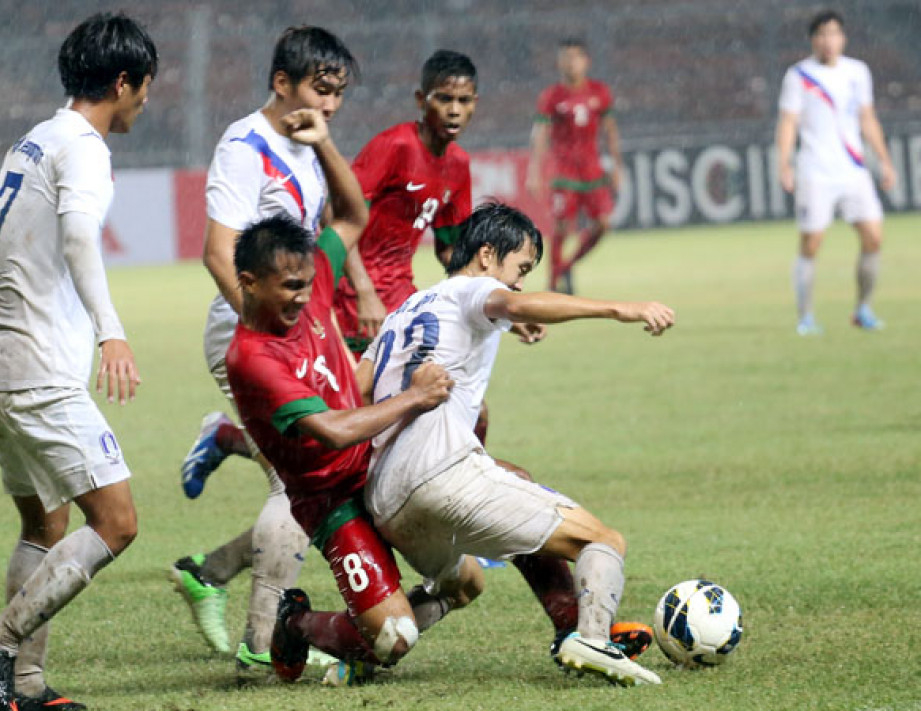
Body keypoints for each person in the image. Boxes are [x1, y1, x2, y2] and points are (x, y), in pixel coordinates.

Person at [305, 202, 671, 686]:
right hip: (439, 470)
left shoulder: (403, 312)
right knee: (601, 540)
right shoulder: (476, 288)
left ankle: (360, 654)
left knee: (465, 585)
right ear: (484, 255)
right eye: (519, 268)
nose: (518, 282)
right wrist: (619, 308)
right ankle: (590, 637)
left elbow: (358, 392)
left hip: (386, 499)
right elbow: (512, 302)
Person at [0, 13, 156, 711]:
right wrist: (111, 331)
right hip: (37, 370)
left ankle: (25, 686)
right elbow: (78, 236)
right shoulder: (85, 149)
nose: (146, 101)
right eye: (144, 87)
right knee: (116, 520)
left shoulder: (34, 140)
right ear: (122, 82)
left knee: (45, 524)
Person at [169, 26, 365, 674]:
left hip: (298, 331)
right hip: (250, 333)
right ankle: (261, 640)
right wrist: (263, 337)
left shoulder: (307, 145)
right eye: (319, 88)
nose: (329, 103)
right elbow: (217, 251)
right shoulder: (243, 147)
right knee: (301, 478)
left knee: (312, 479)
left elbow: (337, 227)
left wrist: (351, 292)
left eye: (338, 93)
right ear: (281, 83)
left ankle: (211, 570)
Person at [226, 208, 453, 683]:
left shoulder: (308, 289)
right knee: (394, 639)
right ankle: (297, 624)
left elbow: (352, 215)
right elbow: (333, 430)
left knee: (466, 582)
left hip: (379, 466)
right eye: (291, 285)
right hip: (333, 501)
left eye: (308, 283)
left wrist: (320, 139)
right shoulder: (251, 358)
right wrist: (416, 397)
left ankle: (371, 627)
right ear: (248, 282)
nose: (305, 296)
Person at [334, 50, 476, 356]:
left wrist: (490, 296)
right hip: (350, 292)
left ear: (475, 104)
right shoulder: (395, 146)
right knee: (364, 398)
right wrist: (364, 290)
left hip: (400, 292)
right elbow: (339, 220)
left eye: (464, 101)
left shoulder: (459, 166)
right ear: (421, 100)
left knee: (453, 395)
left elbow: (450, 249)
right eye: (444, 99)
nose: (454, 110)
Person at [777, 9, 896, 335]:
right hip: (815, 171)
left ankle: (863, 309)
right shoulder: (799, 75)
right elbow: (788, 121)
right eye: (822, 35)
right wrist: (784, 162)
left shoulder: (858, 72)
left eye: (834, 34)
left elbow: (867, 118)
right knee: (811, 243)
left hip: (853, 170)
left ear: (842, 38)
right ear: (813, 40)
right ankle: (805, 316)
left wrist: (884, 160)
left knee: (873, 237)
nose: (828, 41)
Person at [526, 38, 621, 295]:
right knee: (561, 228)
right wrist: (535, 171)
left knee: (603, 224)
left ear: (586, 61)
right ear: (559, 62)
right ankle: (552, 283)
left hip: (592, 172)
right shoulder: (551, 96)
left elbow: (610, 131)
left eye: (576, 57)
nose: (571, 62)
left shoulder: (600, 92)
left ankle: (566, 266)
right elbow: (541, 135)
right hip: (563, 172)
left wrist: (617, 166)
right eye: (566, 57)